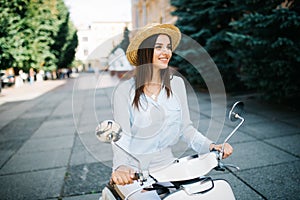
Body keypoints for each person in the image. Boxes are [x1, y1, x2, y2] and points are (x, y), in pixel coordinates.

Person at [110, 23, 233, 199]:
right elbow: (122, 137)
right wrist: (121, 167)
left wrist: (211, 146)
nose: (166, 52)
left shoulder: (177, 84)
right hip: (135, 172)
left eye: (168, 47)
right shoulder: (124, 91)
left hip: (169, 167)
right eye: (158, 47)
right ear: (145, 52)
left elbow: (185, 129)